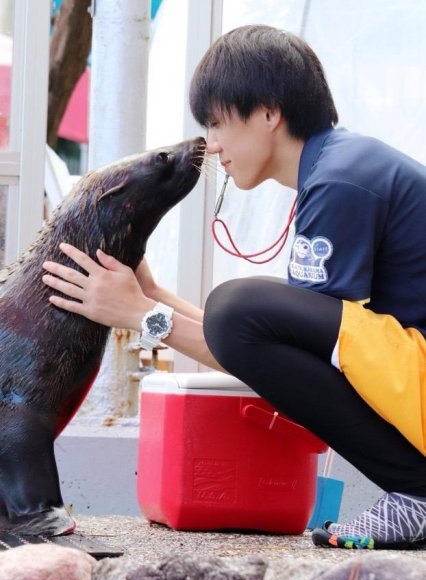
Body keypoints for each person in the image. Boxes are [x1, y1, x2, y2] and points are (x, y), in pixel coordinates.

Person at [42, 25, 426, 550]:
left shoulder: (341, 181)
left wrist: (139, 318)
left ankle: (416, 490)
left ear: (270, 113)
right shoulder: (339, 168)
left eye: (218, 122)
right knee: (237, 311)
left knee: (236, 306)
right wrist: (151, 301)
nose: (213, 145)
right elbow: (274, 353)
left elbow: (258, 345)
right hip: (412, 368)